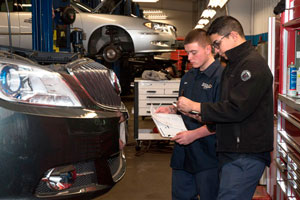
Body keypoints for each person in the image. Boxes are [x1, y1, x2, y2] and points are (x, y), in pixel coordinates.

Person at [176, 16, 274, 200]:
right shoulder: (233, 65)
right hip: (231, 151)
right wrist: (203, 118)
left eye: (218, 44)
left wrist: (197, 106)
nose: (217, 50)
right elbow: (225, 108)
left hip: (246, 154)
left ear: (234, 35)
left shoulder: (252, 65)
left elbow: (237, 108)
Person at [156, 29, 223, 200]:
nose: (190, 58)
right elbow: (185, 107)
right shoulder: (188, 76)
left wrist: (193, 135)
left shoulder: (221, 78)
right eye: (188, 53)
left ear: (208, 49)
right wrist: (171, 109)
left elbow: (222, 120)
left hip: (208, 156)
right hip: (183, 156)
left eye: (194, 52)